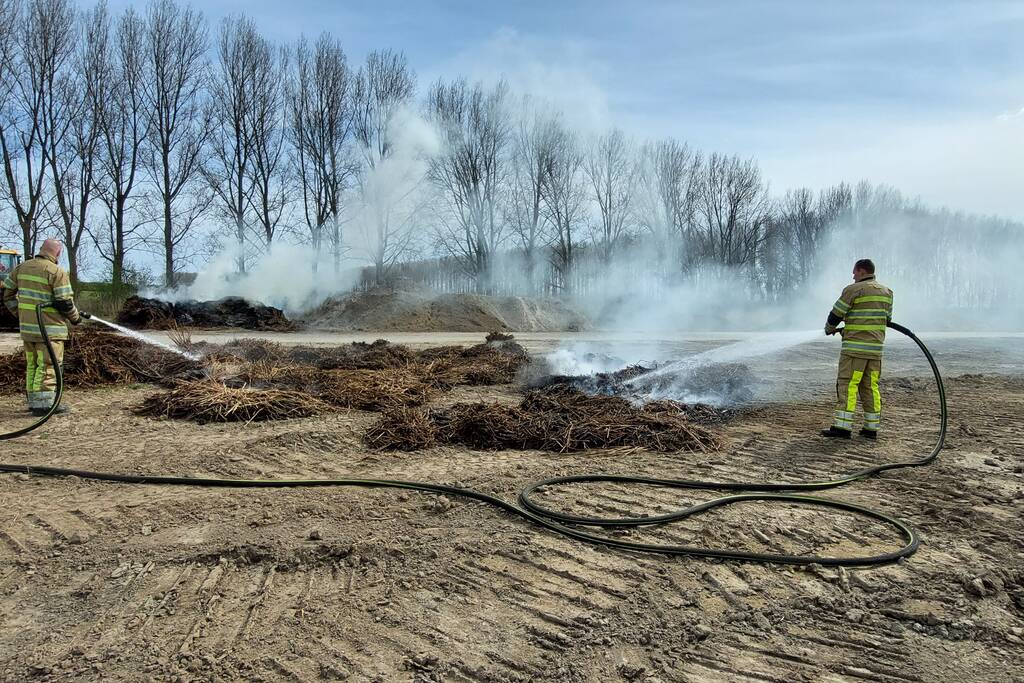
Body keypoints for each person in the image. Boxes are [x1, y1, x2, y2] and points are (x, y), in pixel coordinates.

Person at [0, 239, 85, 416]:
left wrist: (20, 313)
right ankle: (44, 406)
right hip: (50, 331)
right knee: (48, 366)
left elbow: (6, 294)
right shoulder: (56, 272)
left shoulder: (22, 267)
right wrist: (76, 319)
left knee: (33, 365)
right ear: (58, 253)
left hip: (28, 331)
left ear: (41, 250)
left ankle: (34, 401)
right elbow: (65, 302)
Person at [821, 259, 893, 440]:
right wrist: (853, 326)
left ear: (862, 271)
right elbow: (886, 320)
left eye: (854, 272)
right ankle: (871, 428)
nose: (853, 276)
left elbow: (836, 314)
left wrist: (829, 329)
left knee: (847, 385)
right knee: (870, 387)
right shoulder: (887, 292)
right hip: (875, 351)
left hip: (854, 351)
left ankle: (842, 427)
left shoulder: (853, 290)